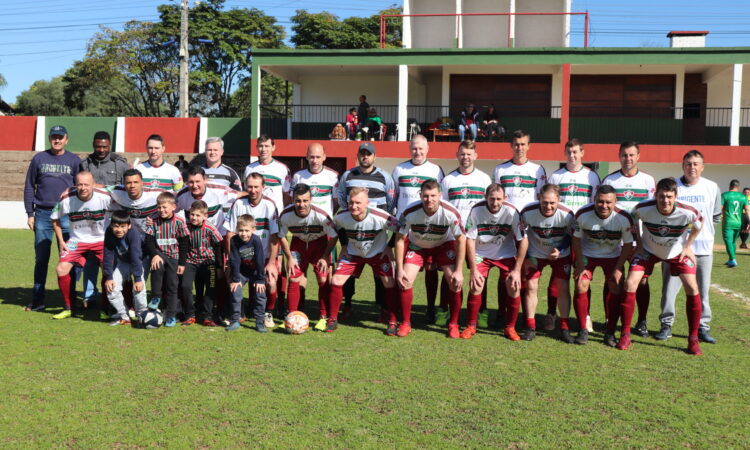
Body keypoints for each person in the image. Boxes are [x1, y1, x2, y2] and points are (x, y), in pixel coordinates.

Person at [620, 178, 704, 355]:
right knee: (630, 283)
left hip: (676, 252)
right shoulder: (642, 208)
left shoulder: (687, 211)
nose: (665, 201)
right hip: (649, 250)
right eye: (661, 196)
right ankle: (625, 333)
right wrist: (640, 243)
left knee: (692, 287)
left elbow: (699, 223)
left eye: (669, 197)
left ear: (675, 196)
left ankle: (693, 339)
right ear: (655, 195)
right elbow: (633, 220)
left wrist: (688, 246)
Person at [658, 150, 721, 344]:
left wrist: (700, 237)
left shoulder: (712, 187)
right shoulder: (674, 187)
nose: (692, 167)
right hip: (675, 249)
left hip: (703, 250)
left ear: (702, 166)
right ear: (682, 165)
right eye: (688, 163)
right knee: (669, 289)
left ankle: (702, 327)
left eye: (695, 164)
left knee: (702, 290)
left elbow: (716, 216)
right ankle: (666, 325)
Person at [394, 180, 465, 338]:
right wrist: (399, 269)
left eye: (433, 195)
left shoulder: (450, 212)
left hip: (443, 245)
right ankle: (406, 322)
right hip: (418, 246)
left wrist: (459, 271)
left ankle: (453, 324)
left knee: (454, 282)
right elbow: (399, 239)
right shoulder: (410, 211)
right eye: (425, 196)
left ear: (440, 195)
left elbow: (461, 239)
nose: (429, 199)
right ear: (420, 195)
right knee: (405, 280)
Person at [493, 130, 549, 327]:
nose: (520, 148)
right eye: (516, 144)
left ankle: (526, 314)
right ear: (511, 145)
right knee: (504, 271)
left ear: (529, 145)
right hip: (506, 228)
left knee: (526, 271)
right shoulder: (501, 170)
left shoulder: (537, 170)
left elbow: (539, 199)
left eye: (523, 144)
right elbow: (497, 198)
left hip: (528, 229)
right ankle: (502, 311)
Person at [23, 125, 81, 312]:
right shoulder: (39, 158)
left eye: (60, 137)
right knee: (41, 258)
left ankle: (70, 300)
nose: (57, 140)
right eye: (54, 137)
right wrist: (30, 213)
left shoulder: (74, 160)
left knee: (68, 258)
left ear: (66, 139)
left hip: (66, 214)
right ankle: (38, 299)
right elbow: (30, 186)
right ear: (50, 139)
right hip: (42, 214)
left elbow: (80, 187)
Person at [601, 141, 656, 338]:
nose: (628, 159)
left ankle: (641, 321)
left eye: (632, 155)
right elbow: (603, 209)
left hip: (641, 240)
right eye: (624, 155)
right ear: (619, 156)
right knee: (613, 278)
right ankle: (610, 318)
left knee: (641, 282)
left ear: (638, 156)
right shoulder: (610, 180)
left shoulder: (648, 181)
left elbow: (653, 210)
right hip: (615, 240)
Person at [547, 138, 601, 331]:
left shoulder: (592, 176)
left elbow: (596, 203)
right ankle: (551, 314)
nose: (572, 155)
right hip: (561, 233)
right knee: (558, 277)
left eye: (576, 152)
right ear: (565, 153)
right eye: (569, 152)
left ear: (582, 153)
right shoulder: (556, 176)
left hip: (584, 234)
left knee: (583, 275)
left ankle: (585, 315)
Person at [337, 142, 396, 320]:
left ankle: (383, 307)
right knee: (349, 270)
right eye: (362, 154)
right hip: (353, 228)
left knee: (381, 273)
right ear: (358, 156)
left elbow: (391, 201)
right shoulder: (348, 175)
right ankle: (347, 303)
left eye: (368, 154)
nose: (365, 157)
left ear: (374, 157)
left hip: (377, 231)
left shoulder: (385, 177)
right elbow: (341, 199)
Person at [328, 187, 400, 333]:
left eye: (358, 203)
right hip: (353, 254)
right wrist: (343, 245)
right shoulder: (342, 216)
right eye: (351, 203)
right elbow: (339, 228)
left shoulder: (381, 216)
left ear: (367, 203)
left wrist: (389, 247)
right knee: (335, 281)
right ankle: (333, 319)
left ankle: (392, 321)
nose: (354, 206)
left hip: (378, 254)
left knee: (389, 283)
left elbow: (401, 228)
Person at [572, 185, 635, 345]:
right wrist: (580, 264)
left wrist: (619, 268)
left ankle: (610, 331)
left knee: (615, 286)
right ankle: (582, 329)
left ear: (615, 202)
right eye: (600, 201)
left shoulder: (623, 218)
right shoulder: (582, 214)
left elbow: (627, 244)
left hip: (613, 255)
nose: (604, 206)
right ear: (594, 200)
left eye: (608, 202)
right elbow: (576, 239)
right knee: (581, 284)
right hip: (588, 254)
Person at [391, 134, 444, 323]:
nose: (418, 152)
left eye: (421, 148)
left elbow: (440, 199)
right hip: (405, 229)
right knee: (401, 268)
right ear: (409, 149)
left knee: (431, 268)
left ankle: (430, 307)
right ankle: (399, 309)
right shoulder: (399, 169)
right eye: (414, 148)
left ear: (427, 149)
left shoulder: (436, 170)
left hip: (427, 228)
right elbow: (394, 198)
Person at [464, 184, 527, 340]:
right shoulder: (476, 210)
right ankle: (471, 326)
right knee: (476, 285)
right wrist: (473, 270)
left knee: (513, 286)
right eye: (492, 199)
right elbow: (470, 239)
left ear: (504, 198)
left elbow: (523, 240)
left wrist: (517, 270)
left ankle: (510, 328)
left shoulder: (512, 211)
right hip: (481, 254)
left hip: (506, 254)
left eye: (499, 199)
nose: (495, 202)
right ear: (486, 197)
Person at [441, 140, 493, 327]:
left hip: (475, 237)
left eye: (469, 154)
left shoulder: (484, 179)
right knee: (450, 273)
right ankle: (443, 310)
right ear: (457, 155)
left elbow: (488, 208)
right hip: (453, 235)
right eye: (462, 154)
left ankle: (482, 312)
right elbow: (444, 208)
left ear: (475, 156)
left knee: (478, 274)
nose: (466, 157)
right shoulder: (448, 180)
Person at [51, 171, 112, 320]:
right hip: (76, 240)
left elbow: (121, 208)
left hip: (101, 239)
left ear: (93, 185)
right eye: (80, 184)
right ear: (75, 185)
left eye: (86, 184)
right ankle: (68, 308)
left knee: (108, 270)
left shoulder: (105, 197)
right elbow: (55, 219)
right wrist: (60, 241)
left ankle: (105, 307)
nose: (83, 187)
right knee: (61, 268)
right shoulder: (67, 199)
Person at [518, 184, 575, 342]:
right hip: (536, 252)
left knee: (563, 287)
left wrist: (560, 249)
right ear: (539, 199)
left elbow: (571, 236)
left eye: (552, 203)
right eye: (544, 202)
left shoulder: (568, 215)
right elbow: (521, 235)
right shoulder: (527, 212)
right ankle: (530, 326)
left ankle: (564, 327)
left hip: (560, 253)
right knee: (531, 286)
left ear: (559, 200)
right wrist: (528, 255)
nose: (548, 206)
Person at [278, 184, 339, 331]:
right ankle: (292, 316)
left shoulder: (322, 215)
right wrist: (289, 257)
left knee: (323, 279)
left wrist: (325, 256)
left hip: (319, 246)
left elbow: (334, 236)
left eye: (305, 200)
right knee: (293, 277)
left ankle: (323, 317)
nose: (301, 204)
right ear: (292, 200)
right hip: (298, 245)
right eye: (298, 201)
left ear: (311, 200)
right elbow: (281, 236)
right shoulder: (285, 215)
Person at [79, 130, 129, 306]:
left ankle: (114, 296)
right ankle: (90, 296)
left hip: (114, 219)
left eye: (104, 146)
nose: (101, 149)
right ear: (93, 145)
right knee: (91, 260)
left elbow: (127, 189)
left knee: (113, 259)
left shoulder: (120, 164)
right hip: (90, 220)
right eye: (98, 146)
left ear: (110, 146)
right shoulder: (84, 164)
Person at [224, 172, 280, 328]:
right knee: (230, 279)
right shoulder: (238, 204)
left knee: (270, 281)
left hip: (261, 260)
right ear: (245, 186)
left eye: (256, 187)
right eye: (250, 186)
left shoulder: (269, 204)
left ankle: (267, 313)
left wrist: (271, 262)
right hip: (241, 260)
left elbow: (275, 236)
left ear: (263, 187)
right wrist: (230, 260)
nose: (253, 190)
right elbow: (229, 233)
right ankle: (237, 313)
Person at [143, 192, 189, 327]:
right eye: (159, 207)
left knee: (172, 286)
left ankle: (171, 315)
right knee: (157, 266)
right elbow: (149, 240)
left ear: (173, 207)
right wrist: (154, 255)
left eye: (165, 207)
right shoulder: (153, 220)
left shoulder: (180, 222)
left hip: (174, 257)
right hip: (160, 254)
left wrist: (182, 263)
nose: (161, 210)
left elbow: (184, 243)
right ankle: (156, 296)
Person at [181, 200, 223, 326]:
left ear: (205, 216)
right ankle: (190, 314)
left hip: (208, 262)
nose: (194, 217)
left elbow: (219, 246)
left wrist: (219, 266)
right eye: (192, 214)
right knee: (186, 286)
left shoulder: (210, 228)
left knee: (210, 288)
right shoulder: (185, 227)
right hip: (191, 261)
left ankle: (208, 316)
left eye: (198, 215)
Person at [103, 211, 146, 326]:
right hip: (123, 262)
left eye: (123, 227)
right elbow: (108, 254)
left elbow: (136, 256)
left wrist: (137, 278)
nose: (119, 230)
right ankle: (124, 316)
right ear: (111, 225)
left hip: (139, 261)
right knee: (111, 288)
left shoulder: (133, 234)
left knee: (139, 288)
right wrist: (109, 276)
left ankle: (142, 316)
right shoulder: (108, 232)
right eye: (116, 226)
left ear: (129, 226)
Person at [227, 214, 267, 332]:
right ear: (237, 230)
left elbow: (260, 260)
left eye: (247, 230)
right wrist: (235, 279)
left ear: (253, 230)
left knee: (260, 294)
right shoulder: (234, 240)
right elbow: (234, 260)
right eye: (240, 230)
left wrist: (260, 279)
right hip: (241, 272)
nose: (243, 233)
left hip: (255, 272)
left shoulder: (256, 240)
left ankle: (259, 322)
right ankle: (235, 320)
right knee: (235, 292)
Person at [242, 135, 291, 214]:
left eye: (267, 146)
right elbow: (246, 192)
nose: (263, 149)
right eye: (261, 146)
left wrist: (279, 210)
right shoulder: (249, 168)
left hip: (275, 215)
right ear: (257, 147)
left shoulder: (282, 168)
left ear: (273, 147)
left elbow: (288, 195)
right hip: (254, 214)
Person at [291, 143, 339, 217]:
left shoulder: (333, 176)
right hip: (304, 221)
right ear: (307, 156)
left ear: (324, 157)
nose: (315, 161)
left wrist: (326, 215)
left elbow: (336, 202)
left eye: (318, 157)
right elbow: (292, 200)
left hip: (325, 222)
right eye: (312, 157)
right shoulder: (297, 176)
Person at [720, 179, 750, 267]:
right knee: (733, 241)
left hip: (728, 222)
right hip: (738, 222)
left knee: (728, 241)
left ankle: (732, 260)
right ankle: (730, 259)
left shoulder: (725, 195)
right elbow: (748, 210)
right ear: (738, 187)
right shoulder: (743, 197)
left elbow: (719, 207)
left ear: (730, 186)